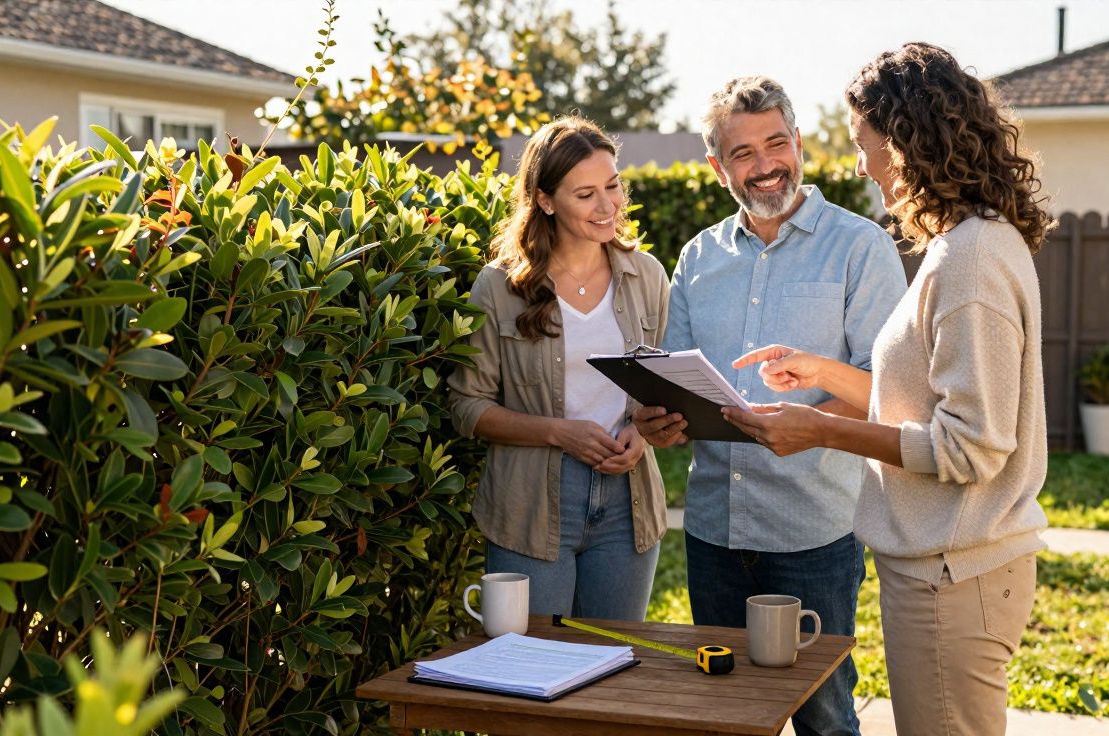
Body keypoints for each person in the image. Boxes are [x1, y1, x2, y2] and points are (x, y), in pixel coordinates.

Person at [723, 43, 1054, 735]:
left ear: (904, 142)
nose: (862, 164)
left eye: (865, 144)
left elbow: (970, 447)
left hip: (954, 575)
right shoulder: (965, 245)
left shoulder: (970, 261)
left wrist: (820, 428)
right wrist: (822, 373)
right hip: (943, 568)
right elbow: (922, 402)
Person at [633, 77, 906, 736]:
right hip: (713, 533)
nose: (764, 166)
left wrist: (815, 411)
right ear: (717, 165)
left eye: (775, 144)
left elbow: (894, 396)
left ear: (799, 143)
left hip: (814, 531)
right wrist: (657, 420)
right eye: (743, 153)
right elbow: (676, 380)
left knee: (826, 718)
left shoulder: (859, 247)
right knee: (723, 716)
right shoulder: (697, 258)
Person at [447, 116, 670, 620]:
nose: (608, 205)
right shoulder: (499, 287)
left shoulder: (648, 277)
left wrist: (643, 432)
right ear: (546, 200)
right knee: (529, 668)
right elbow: (466, 406)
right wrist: (558, 433)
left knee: (612, 666)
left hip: (627, 503)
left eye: (613, 186)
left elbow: (658, 391)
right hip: (530, 503)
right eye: (585, 194)